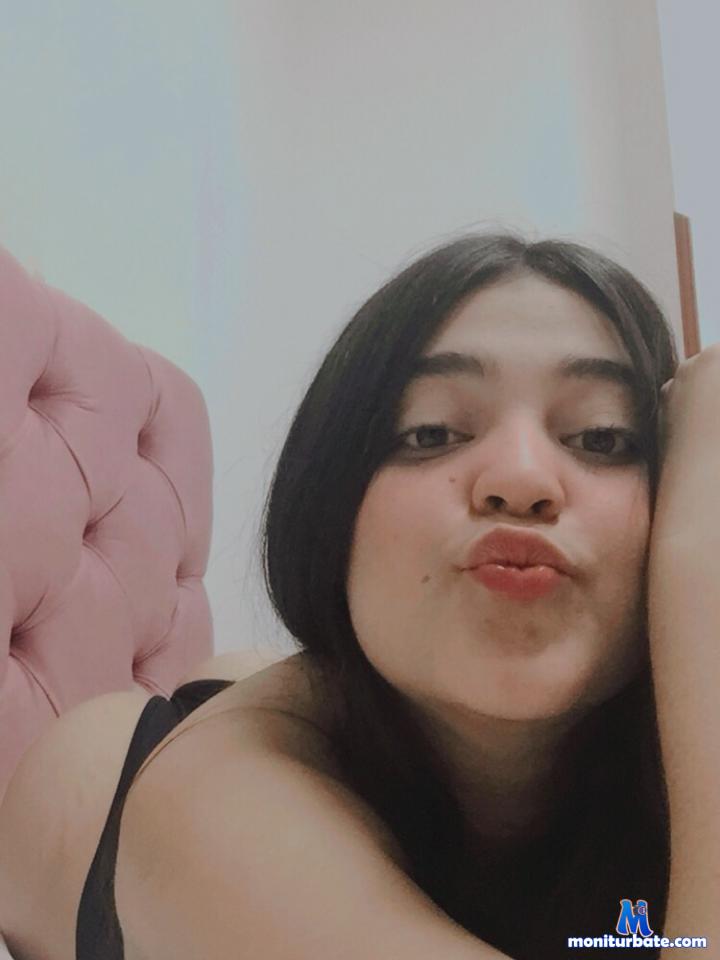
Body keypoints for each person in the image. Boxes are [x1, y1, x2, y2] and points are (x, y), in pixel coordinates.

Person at [0, 231, 713, 959]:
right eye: (432, 432)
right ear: (332, 503)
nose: (521, 478)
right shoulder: (223, 802)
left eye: (601, 438)